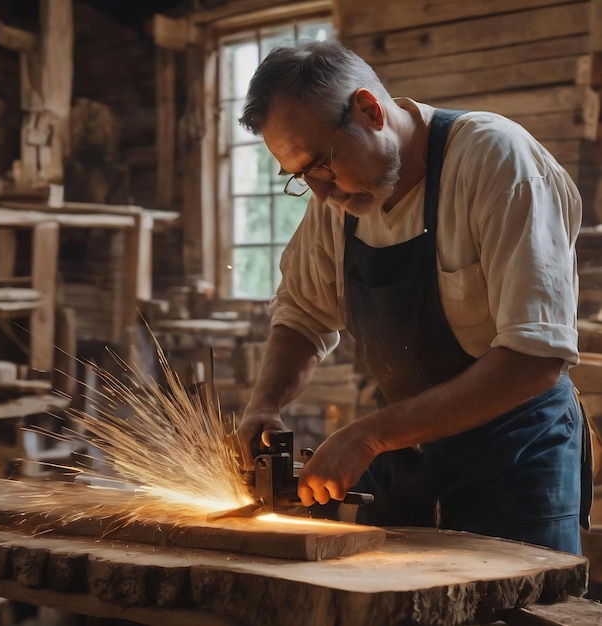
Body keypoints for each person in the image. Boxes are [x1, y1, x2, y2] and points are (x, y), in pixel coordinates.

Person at [236, 39, 588, 554]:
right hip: (411, 461)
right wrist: (262, 405)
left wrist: (367, 436)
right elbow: (304, 315)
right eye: (301, 177)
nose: (322, 193)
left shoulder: (495, 160)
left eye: (324, 164)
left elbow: (534, 359)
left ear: (369, 109)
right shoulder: (340, 198)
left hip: (519, 460)